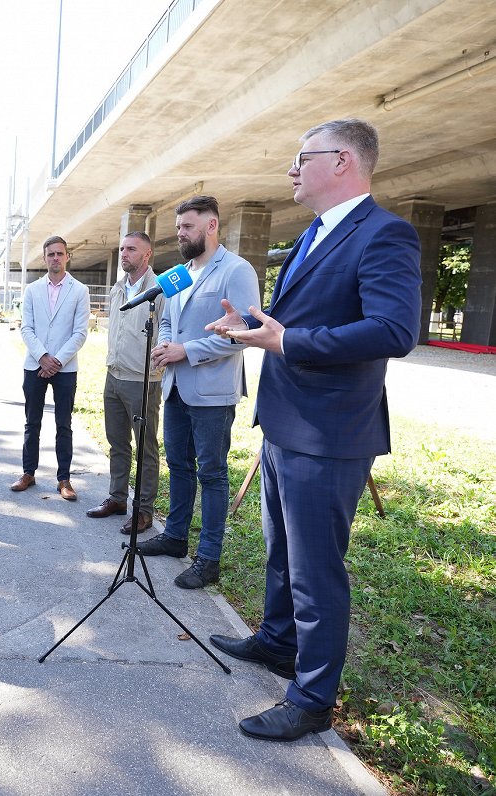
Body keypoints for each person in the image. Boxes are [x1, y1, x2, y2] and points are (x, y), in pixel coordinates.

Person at [206, 119, 420, 741]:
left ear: (344, 162)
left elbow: (393, 330)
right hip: (283, 422)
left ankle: (313, 696)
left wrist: (286, 339)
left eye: (304, 157)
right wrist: (252, 322)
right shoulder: (314, 232)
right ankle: (278, 641)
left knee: (316, 569)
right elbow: (298, 317)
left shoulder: (385, 234)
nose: (292, 169)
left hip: (328, 433)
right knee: (282, 551)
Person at [138, 195, 260, 589]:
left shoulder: (237, 270)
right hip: (175, 387)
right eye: (178, 228)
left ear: (211, 226)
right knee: (179, 465)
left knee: (212, 473)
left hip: (212, 393)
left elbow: (242, 334)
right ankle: (175, 537)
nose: (180, 234)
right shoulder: (180, 273)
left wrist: (185, 351)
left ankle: (208, 559)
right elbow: (170, 319)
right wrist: (167, 344)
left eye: (187, 227)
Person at [86, 232, 163, 533]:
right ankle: (117, 498)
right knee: (117, 443)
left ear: (147, 255)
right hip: (114, 376)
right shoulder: (118, 289)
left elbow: (167, 331)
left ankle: (143, 511)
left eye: (131, 249)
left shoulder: (160, 290)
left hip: (143, 380)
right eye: (121, 249)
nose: (124, 254)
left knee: (145, 448)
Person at [10, 236, 91, 501]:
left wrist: (56, 361)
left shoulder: (80, 290)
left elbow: (80, 333)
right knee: (32, 422)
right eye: (50, 254)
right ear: (44, 258)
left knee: (63, 424)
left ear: (67, 256)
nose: (55, 258)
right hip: (35, 365)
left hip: (65, 368)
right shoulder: (32, 290)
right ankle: (28, 473)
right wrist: (43, 357)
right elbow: (26, 327)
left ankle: (64, 479)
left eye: (60, 253)